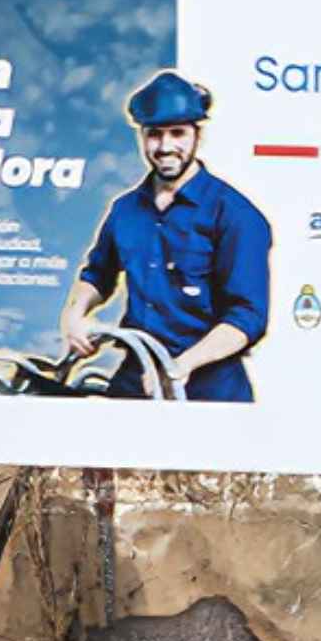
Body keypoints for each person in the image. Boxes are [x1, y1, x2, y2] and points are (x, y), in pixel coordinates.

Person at [61, 70, 273, 402]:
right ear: (142, 137)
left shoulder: (236, 215)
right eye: (154, 135)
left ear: (197, 136)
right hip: (136, 382)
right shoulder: (125, 210)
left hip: (209, 391)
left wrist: (179, 367)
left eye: (178, 133)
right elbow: (97, 275)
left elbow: (248, 316)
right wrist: (74, 315)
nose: (165, 146)